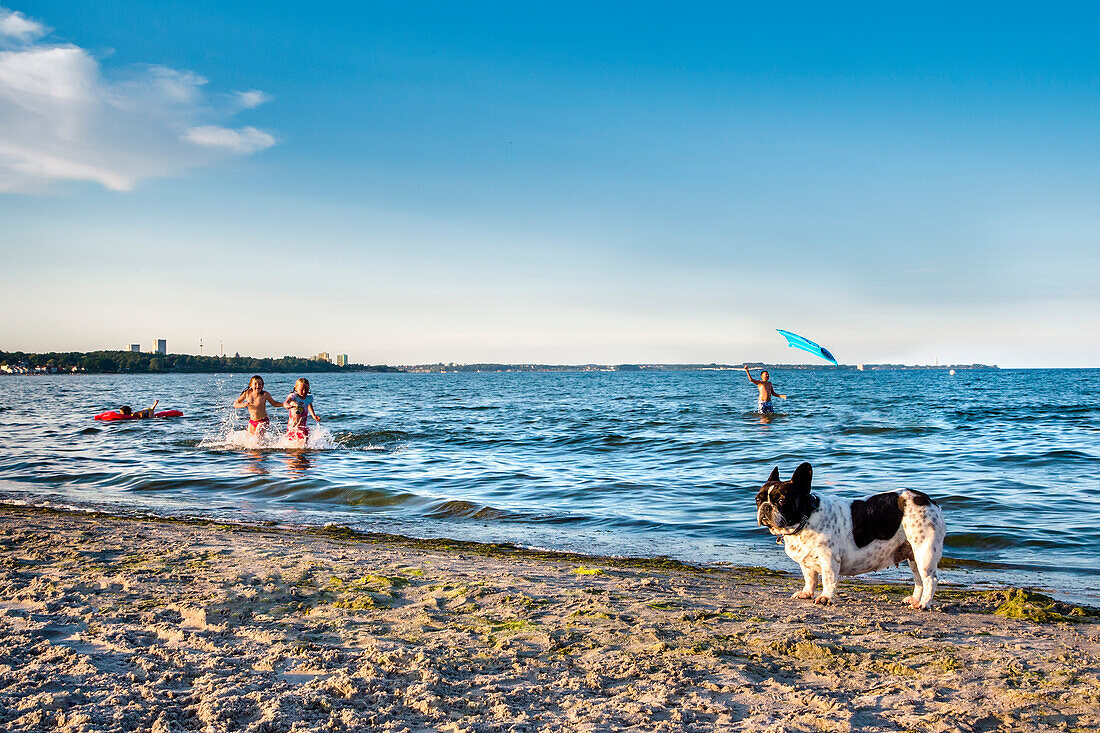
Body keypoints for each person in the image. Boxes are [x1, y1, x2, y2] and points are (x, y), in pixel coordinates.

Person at [284, 377, 320, 443]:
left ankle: (304, 452)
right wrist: (287, 405)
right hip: (293, 424)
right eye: (301, 389)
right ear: (296, 389)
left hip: (303, 423)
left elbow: (309, 405)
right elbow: (286, 402)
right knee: (293, 440)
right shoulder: (293, 396)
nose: (304, 391)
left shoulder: (309, 398)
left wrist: (313, 415)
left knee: (305, 440)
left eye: (306, 389)